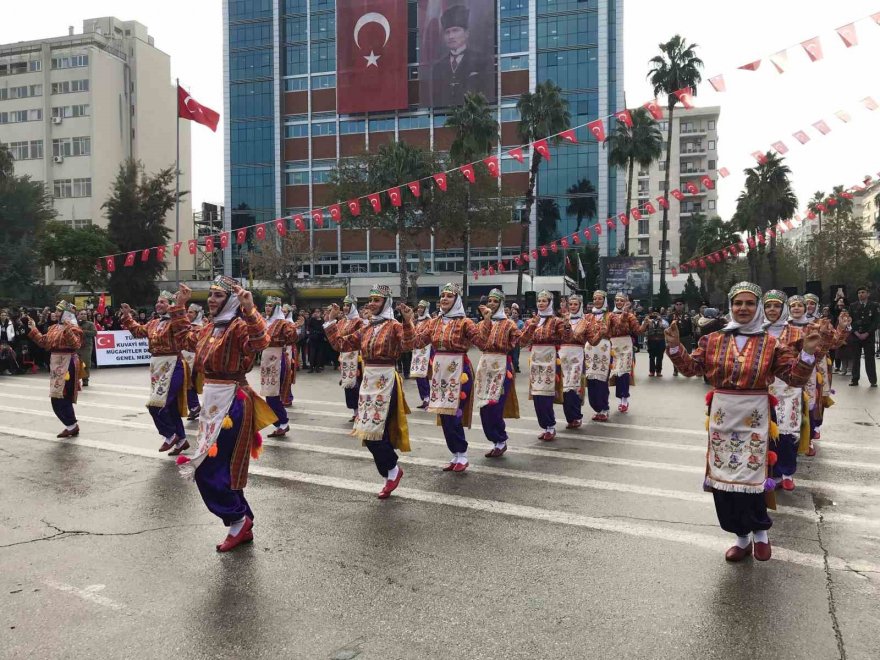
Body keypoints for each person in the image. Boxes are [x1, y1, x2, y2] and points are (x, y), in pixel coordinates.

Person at [666, 282, 827, 562]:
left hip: (756, 415)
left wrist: (808, 353)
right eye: (738, 303)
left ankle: (761, 533)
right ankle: (740, 537)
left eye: (749, 303)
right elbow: (692, 369)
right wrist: (674, 347)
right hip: (722, 416)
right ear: (731, 306)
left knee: (753, 475)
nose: (743, 308)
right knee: (724, 479)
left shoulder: (772, 343)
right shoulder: (712, 339)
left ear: (758, 308)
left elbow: (795, 378)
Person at [175, 278, 274, 552]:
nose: (211, 300)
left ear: (231, 300)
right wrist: (180, 307)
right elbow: (185, 338)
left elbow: (261, 341)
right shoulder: (210, 327)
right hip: (212, 400)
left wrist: (250, 309)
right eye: (211, 295)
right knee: (224, 467)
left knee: (209, 466)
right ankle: (242, 520)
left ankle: (237, 519)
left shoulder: (239, 326)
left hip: (233, 401)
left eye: (218, 296)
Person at [324, 284, 415, 499]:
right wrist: (330, 321)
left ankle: (391, 470)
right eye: (371, 299)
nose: (372, 303)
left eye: (377, 300)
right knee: (366, 430)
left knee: (376, 431)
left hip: (386, 380)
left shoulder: (394, 326)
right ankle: (389, 472)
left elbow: (409, 345)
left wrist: (408, 321)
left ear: (386, 302)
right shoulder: (366, 327)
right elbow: (340, 344)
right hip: (368, 380)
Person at [411, 283, 483, 471]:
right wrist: (407, 321)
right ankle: (455, 454)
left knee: (454, 414)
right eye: (442, 296)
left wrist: (487, 321)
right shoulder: (434, 322)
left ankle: (463, 454)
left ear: (456, 300)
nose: (444, 299)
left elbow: (483, 343)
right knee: (443, 415)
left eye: (449, 296)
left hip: (459, 371)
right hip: (440, 372)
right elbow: (417, 341)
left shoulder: (465, 322)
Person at [120, 290, 191, 455]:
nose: (159, 304)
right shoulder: (153, 323)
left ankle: (170, 435)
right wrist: (127, 316)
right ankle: (181, 440)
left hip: (173, 364)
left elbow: (186, 330)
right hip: (157, 366)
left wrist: (180, 306)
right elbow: (138, 331)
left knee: (157, 404)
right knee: (170, 406)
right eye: (158, 301)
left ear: (170, 305)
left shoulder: (176, 321)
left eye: (163, 302)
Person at [519, 290, 572, 441]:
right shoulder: (531, 321)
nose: (541, 303)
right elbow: (522, 341)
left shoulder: (556, 321)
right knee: (536, 394)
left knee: (546, 394)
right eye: (539, 301)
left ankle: (550, 426)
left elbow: (567, 338)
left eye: (544, 301)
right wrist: (531, 326)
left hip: (549, 359)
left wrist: (567, 323)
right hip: (535, 359)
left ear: (550, 303)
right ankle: (545, 425)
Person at [474, 289, 521, 457]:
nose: (491, 304)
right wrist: (486, 321)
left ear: (501, 303)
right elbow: (480, 343)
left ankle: (501, 439)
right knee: (484, 406)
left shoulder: (509, 324)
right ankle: (495, 440)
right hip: (485, 366)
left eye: (495, 301)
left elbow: (519, 341)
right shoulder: (482, 323)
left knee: (495, 405)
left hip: (502, 366)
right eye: (490, 301)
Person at [26, 301, 84, 437]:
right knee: (56, 396)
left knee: (62, 395)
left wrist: (67, 328)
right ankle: (71, 425)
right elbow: (44, 343)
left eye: (58, 311)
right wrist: (33, 328)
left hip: (67, 363)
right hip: (56, 363)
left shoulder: (75, 328)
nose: (55, 313)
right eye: (56, 311)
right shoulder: (53, 328)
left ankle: (71, 425)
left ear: (65, 314)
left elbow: (76, 344)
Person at [429, 3, 495, 108]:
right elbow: (436, 101)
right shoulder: (437, 67)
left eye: (455, 30)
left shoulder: (483, 60)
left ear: (466, 33)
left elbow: (488, 93)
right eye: (447, 32)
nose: (451, 36)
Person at [260, 296, 303, 438]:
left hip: (278, 359)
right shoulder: (264, 322)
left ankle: (282, 423)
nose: (267, 308)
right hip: (266, 359)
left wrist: (296, 329)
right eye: (266, 305)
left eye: (270, 306)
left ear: (276, 308)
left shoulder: (283, 323)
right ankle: (281, 424)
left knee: (273, 395)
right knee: (269, 394)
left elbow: (293, 338)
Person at [559, 294, 589, 429]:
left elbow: (582, 338)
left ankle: (576, 416)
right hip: (563, 355)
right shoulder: (562, 320)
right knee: (564, 388)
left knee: (574, 387)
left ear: (580, 305)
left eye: (575, 304)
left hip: (577, 355)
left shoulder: (585, 321)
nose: (573, 307)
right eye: (570, 304)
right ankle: (569, 418)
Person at [609, 293, 642, 413]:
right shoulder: (609, 315)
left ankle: (624, 399)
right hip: (613, 345)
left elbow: (638, 331)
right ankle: (620, 397)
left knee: (624, 373)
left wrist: (646, 324)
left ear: (625, 302)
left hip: (626, 344)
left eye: (621, 301)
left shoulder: (630, 316)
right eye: (617, 300)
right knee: (616, 373)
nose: (618, 303)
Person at [583, 290, 613, 421]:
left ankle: (604, 408)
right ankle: (596, 407)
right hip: (589, 350)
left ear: (605, 300)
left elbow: (619, 328)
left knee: (601, 380)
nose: (597, 301)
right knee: (591, 380)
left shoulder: (610, 316)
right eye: (595, 299)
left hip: (603, 350)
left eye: (600, 299)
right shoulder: (588, 317)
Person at [337, 296, 364, 423]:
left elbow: (361, 337)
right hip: (344, 356)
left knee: (356, 384)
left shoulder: (359, 321)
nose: (345, 307)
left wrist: (347, 339)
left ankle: (360, 410)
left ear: (353, 306)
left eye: (348, 305)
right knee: (347, 385)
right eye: (345, 305)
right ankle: (354, 411)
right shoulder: (341, 321)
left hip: (355, 356)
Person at [848, 286, 878, 387]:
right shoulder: (853, 306)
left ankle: (873, 380)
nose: (861, 294)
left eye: (863, 292)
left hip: (868, 336)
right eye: (859, 293)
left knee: (870, 358)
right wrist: (856, 332)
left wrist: (867, 333)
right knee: (855, 358)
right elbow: (848, 321)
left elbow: (876, 322)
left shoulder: (874, 305)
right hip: (856, 336)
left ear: (868, 294)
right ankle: (855, 379)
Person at [409, 300, 433, 410]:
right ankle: (424, 398)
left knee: (424, 375)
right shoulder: (416, 321)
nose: (419, 309)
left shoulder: (430, 321)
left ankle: (428, 398)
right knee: (417, 375)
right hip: (416, 351)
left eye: (422, 308)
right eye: (418, 307)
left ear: (426, 309)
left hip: (426, 351)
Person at [183, 303, 205, 420]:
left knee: (189, 383)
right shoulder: (188, 326)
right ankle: (194, 406)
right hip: (185, 356)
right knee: (186, 383)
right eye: (187, 312)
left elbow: (195, 342)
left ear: (197, 314)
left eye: (191, 312)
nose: (188, 314)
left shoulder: (199, 328)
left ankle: (195, 406)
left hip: (193, 357)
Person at [668, 299, 694, 376]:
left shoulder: (688, 315)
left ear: (683, 305)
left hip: (686, 337)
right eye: (677, 304)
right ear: (675, 306)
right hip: (675, 338)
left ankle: (688, 370)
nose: (679, 306)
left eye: (680, 304)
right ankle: (676, 370)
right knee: (675, 354)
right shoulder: (671, 316)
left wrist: (692, 335)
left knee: (688, 354)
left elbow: (691, 326)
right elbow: (668, 327)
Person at [643, 309, 669, 377]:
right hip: (651, 340)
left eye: (656, 314)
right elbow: (643, 327)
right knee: (651, 356)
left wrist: (660, 320)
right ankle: (651, 371)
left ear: (659, 315)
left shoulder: (663, 321)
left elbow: (666, 326)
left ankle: (658, 371)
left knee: (660, 356)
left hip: (661, 340)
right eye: (653, 314)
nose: (655, 316)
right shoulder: (648, 321)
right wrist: (646, 320)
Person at [75, 310, 96, 387]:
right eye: (81, 314)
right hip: (76, 346)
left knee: (86, 363)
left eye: (85, 314)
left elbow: (94, 333)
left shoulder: (90, 324)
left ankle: (85, 379)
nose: (83, 315)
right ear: (78, 315)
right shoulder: (75, 324)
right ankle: (75, 380)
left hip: (86, 346)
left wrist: (83, 332)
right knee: (75, 364)